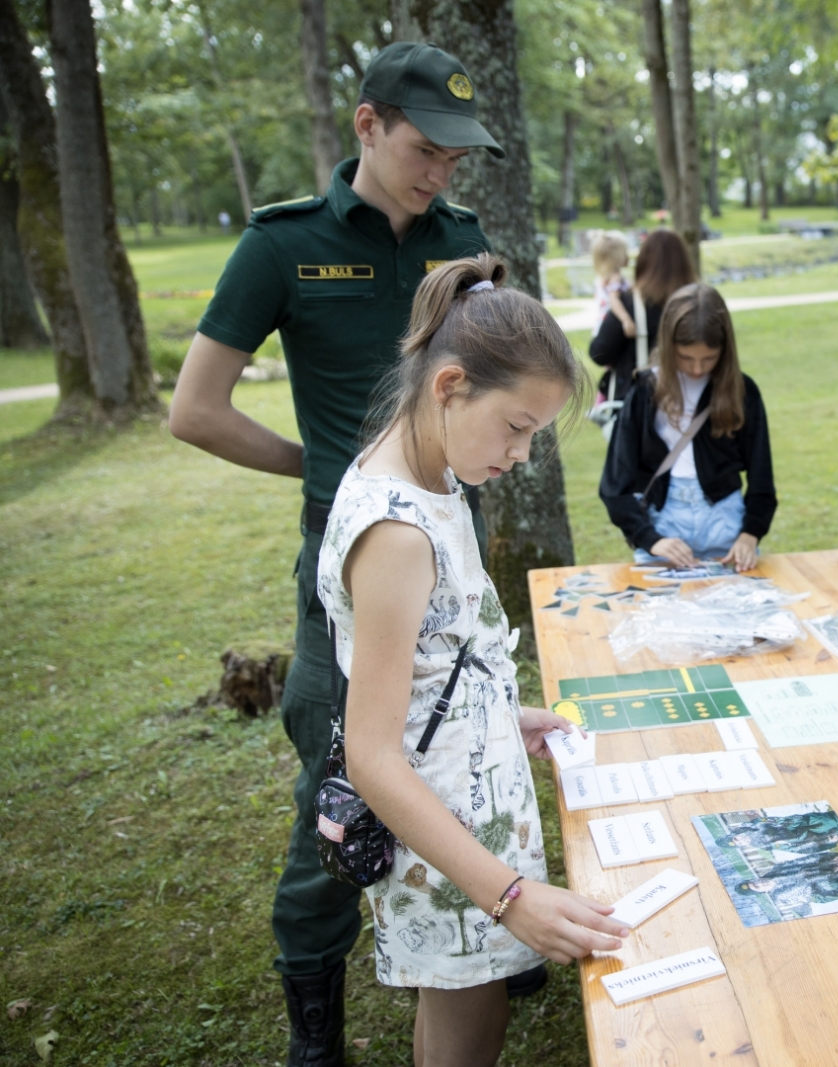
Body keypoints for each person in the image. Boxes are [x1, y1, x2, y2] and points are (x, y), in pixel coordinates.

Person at [167, 41, 538, 1065]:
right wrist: (329, 470)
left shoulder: (462, 241)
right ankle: (315, 1013)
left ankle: (492, 930)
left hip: (446, 538)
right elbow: (194, 409)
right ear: (367, 124)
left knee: (462, 734)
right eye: (426, 148)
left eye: (459, 157)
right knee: (341, 780)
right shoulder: (284, 246)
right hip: (351, 570)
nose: (442, 174)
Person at [318, 253, 626, 1066]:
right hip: (443, 846)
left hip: (468, 825)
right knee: (466, 1035)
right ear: (451, 385)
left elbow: (433, 656)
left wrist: (497, 714)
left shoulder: (434, 479)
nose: (523, 454)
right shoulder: (396, 530)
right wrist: (511, 895)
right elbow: (374, 755)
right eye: (518, 426)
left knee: (461, 1015)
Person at [598, 283, 775, 571]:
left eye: (709, 358)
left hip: (726, 524)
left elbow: (762, 478)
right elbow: (614, 484)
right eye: (685, 357)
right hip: (664, 524)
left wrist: (750, 534)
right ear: (668, 346)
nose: (696, 369)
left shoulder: (742, 392)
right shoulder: (645, 391)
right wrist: (650, 538)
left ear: (724, 349)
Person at [587, 228, 697, 398]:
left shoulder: (630, 303)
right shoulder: (698, 301)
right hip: (691, 396)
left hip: (641, 404)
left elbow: (599, 352)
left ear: (643, 262)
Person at [589, 230, 636, 337]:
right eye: (625, 252)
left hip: (601, 327)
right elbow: (613, 300)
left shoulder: (603, 278)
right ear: (617, 257)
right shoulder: (616, 278)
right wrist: (626, 320)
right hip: (610, 327)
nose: (628, 256)